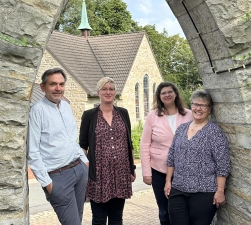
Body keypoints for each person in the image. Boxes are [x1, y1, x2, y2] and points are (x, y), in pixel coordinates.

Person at [27, 68, 89, 225]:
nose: (58, 88)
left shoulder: (66, 107)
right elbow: (32, 152)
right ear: (43, 87)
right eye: (53, 84)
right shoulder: (37, 111)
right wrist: (48, 184)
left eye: (61, 84)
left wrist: (84, 162)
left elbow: (71, 139)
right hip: (58, 178)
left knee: (78, 220)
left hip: (79, 171)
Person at [164, 89, 231, 225]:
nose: (198, 108)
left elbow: (222, 165)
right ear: (191, 106)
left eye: (203, 105)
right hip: (178, 190)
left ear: (209, 109)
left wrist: (220, 191)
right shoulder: (181, 129)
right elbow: (171, 157)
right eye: (195, 104)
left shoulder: (215, 133)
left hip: (204, 193)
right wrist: (168, 182)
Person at [79, 77, 136, 225]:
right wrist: (85, 170)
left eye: (111, 89)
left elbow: (129, 142)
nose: (108, 92)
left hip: (121, 173)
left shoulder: (123, 113)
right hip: (98, 175)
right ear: (98, 92)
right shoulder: (89, 115)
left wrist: (132, 167)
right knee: (99, 218)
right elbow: (83, 146)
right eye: (104, 89)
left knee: (117, 218)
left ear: (115, 92)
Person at [140, 82, 193, 225]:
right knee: (164, 210)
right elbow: (145, 144)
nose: (167, 95)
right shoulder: (153, 116)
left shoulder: (189, 115)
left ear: (176, 93)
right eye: (163, 93)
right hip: (159, 171)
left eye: (170, 92)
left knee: (183, 209)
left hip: (184, 171)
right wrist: (146, 172)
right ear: (159, 96)